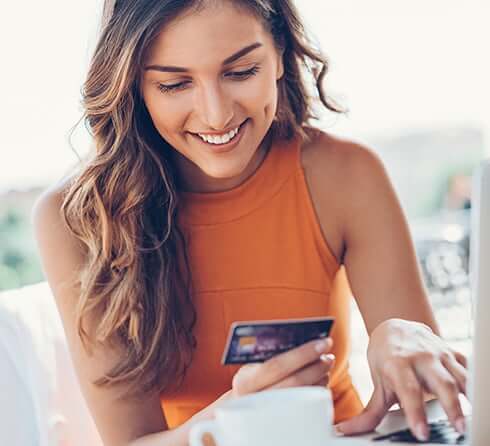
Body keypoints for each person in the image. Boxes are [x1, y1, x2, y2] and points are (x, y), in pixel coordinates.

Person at [33, 1, 468, 445]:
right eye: (174, 84)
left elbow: (428, 401)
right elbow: (131, 442)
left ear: (279, 54)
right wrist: (235, 421)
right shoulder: (79, 219)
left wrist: (401, 334)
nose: (216, 114)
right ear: (134, 86)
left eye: (240, 72)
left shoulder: (345, 175)